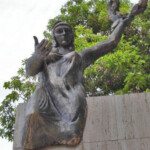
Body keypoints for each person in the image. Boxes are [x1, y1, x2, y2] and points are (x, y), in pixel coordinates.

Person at [21, 0, 148, 149]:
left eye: (67, 31)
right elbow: (29, 71)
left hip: (72, 99)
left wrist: (127, 20)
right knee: (31, 117)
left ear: (72, 36)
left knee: (73, 135)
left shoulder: (80, 57)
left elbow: (110, 42)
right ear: (53, 37)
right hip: (46, 98)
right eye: (59, 31)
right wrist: (37, 57)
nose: (63, 34)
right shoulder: (45, 58)